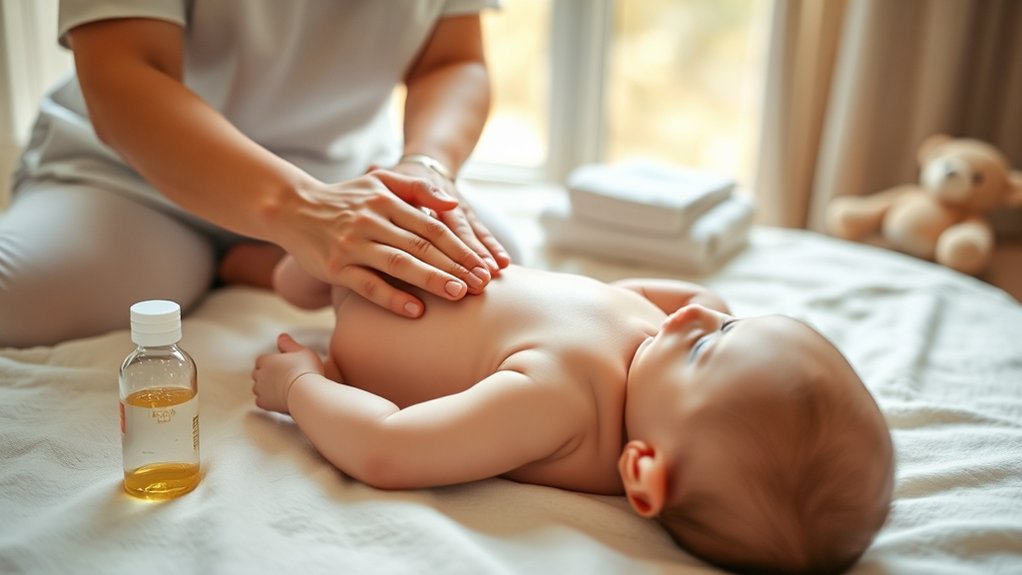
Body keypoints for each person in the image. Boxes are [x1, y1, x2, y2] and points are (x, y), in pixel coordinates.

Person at [251, 257, 896, 575]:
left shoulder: (563, 402)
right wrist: (716, 325)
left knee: (306, 263)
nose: (697, 315)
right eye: (733, 323)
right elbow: (685, 299)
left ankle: (285, 265)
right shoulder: (655, 346)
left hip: (370, 306)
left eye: (706, 346)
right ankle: (280, 262)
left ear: (644, 471)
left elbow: (387, 447)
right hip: (429, 254)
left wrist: (301, 386)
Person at [0, 1, 516, 348]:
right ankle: (258, 258)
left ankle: (259, 262)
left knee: (499, 268)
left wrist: (426, 169)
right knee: (19, 299)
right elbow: (123, 72)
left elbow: (452, 61)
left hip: (342, 174)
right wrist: (304, 212)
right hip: (137, 177)